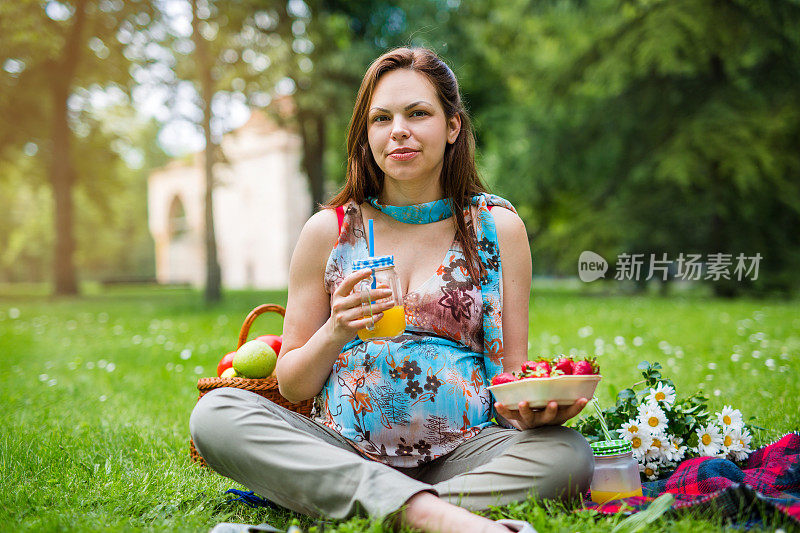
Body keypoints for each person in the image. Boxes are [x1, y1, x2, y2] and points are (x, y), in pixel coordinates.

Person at [190, 47, 593, 533]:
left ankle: (382, 513)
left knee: (567, 452)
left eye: (417, 113)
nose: (398, 129)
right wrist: (336, 330)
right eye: (381, 118)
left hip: (465, 453)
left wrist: (535, 409)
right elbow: (292, 384)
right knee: (216, 414)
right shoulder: (328, 230)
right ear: (367, 135)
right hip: (341, 448)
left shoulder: (497, 228)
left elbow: (510, 377)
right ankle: (437, 519)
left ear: (452, 127)